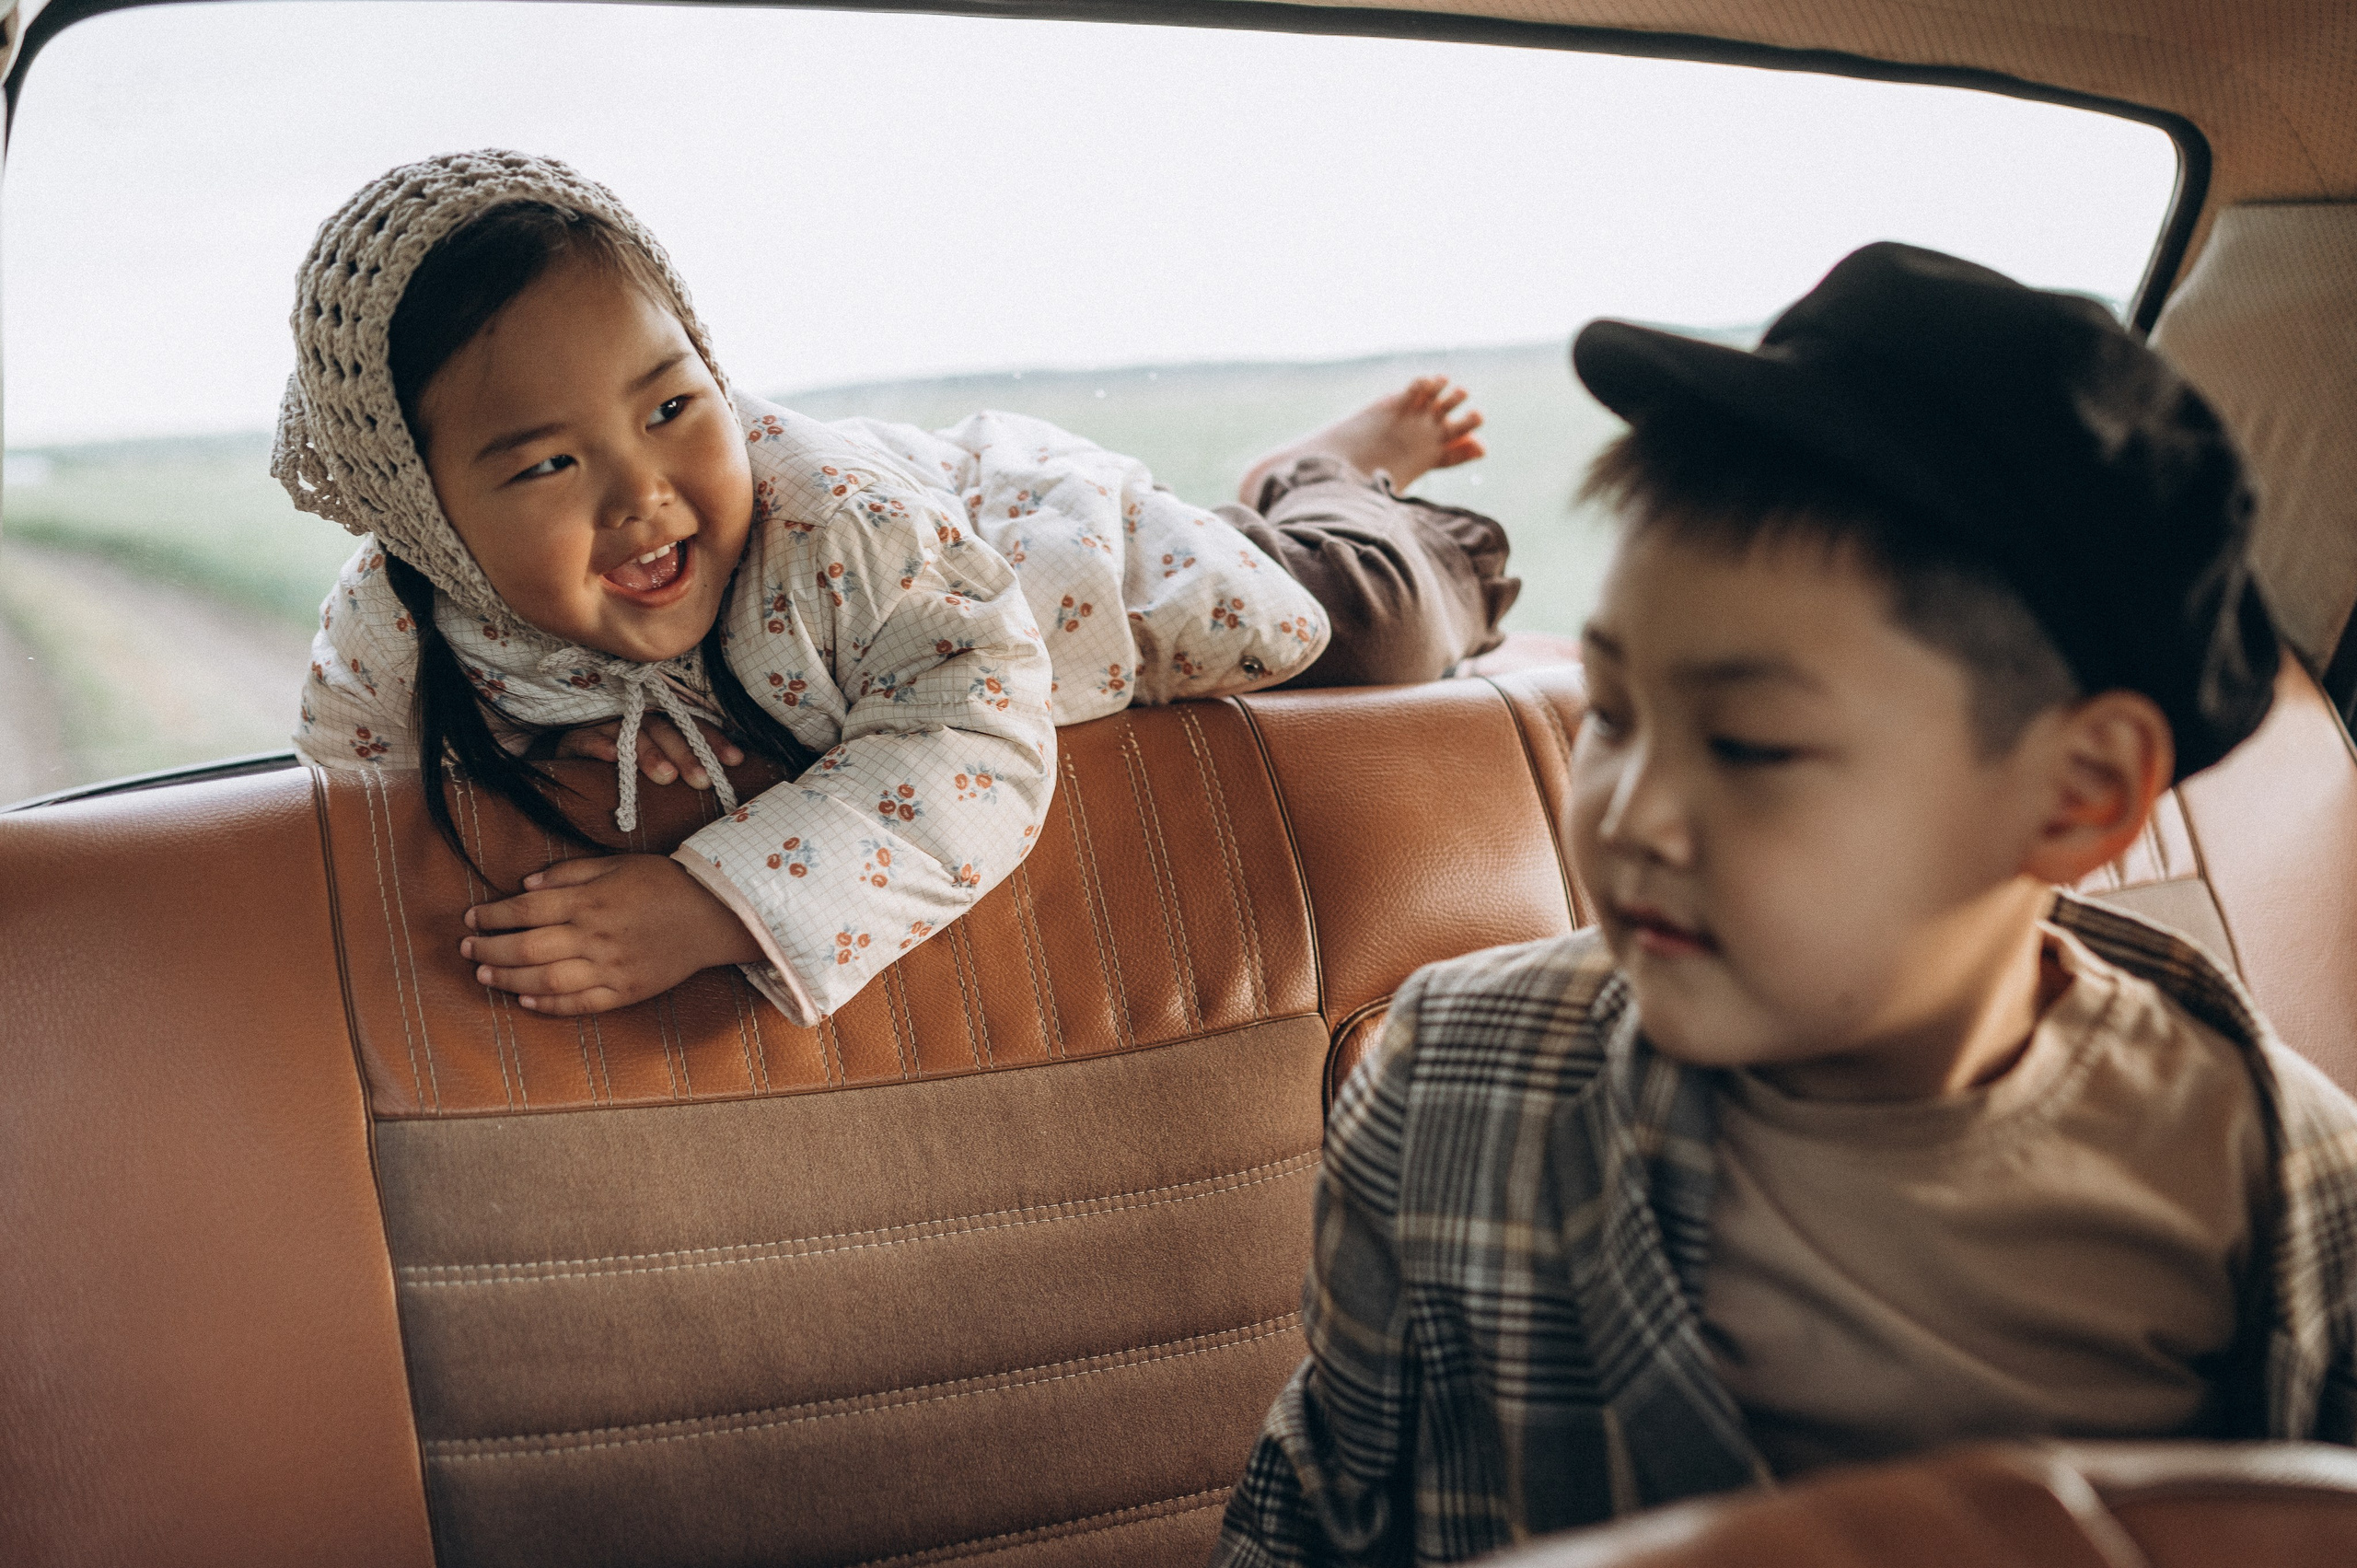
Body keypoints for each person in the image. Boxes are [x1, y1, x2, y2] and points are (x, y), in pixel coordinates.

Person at [1213, 242, 2357, 1564]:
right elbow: (1320, 1518)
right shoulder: (1448, 1079)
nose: (1633, 813)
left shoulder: (2279, 1191)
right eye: (1617, 714)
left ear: (2076, 796)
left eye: (1751, 745)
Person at [279, 149, 1516, 1026]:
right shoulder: (397, 619)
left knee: (1375, 622)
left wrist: (710, 903)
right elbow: (343, 798)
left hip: (1068, 572)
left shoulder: (840, 527)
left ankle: (1325, 477)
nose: (644, 490)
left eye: (671, 407)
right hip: (927, 568)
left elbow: (979, 732)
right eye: (550, 461)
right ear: (419, 515)